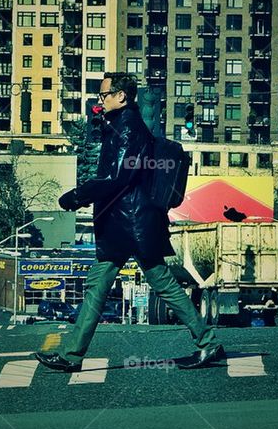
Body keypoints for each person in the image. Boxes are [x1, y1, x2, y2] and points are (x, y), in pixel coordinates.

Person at [34, 73, 222, 372]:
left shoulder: (128, 128)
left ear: (121, 96)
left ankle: (208, 342)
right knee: (101, 285)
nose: (100, 101)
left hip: (132, 224)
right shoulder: (119, 125)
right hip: (125, 223)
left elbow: (116, 177)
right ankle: (72, 355)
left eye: (104, 95)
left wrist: (77, 195)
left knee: (163, 284)